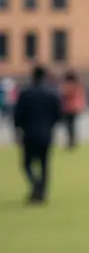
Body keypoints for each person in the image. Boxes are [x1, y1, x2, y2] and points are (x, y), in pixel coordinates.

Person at [13, 65, 63, 204]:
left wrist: (18, 130)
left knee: (27, 164)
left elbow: (17, 115)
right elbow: (58, 115)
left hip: (29, 134)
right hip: (46, 133)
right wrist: (50, 126)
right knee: (44, 164)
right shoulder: (52, 93)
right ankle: (42, 192)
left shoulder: (26, 93)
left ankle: (36, 184)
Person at [59, 70, 86, 148]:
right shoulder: (78, 85)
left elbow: (64, 94)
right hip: (74, 108)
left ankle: (71, 142)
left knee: (69, 126)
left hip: (68, 108)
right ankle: (72, 141)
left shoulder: (69, 85)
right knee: (72, 126)